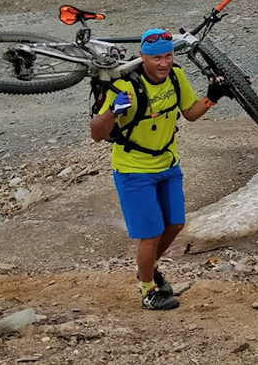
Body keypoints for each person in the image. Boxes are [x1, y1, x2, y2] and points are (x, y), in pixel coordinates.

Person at [90, 28, 228, 310]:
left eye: (168, 56)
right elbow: (96, 133)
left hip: (168, 164)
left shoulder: (176, 76)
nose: (163, 63)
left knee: (175, 224)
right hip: (133, 170)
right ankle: (148, 290)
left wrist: (212, 97)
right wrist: (113, 111)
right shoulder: (125, 86)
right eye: (156, 58)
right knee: (150, 234)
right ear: (142, 57)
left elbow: (190, 114)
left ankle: (148, 268)